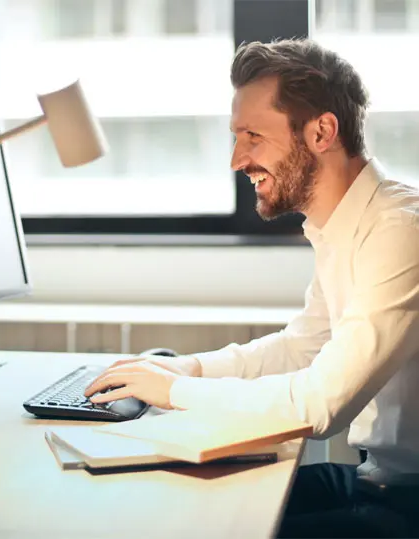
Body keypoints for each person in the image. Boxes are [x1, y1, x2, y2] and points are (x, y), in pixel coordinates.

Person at [84, 38, 419, 538]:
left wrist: (175, 391)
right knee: (183, 505)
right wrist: (187, 367)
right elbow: (303, 347)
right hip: (375, 481)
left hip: (407, 504)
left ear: (322, 132)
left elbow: (320, 403)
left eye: (253, 136)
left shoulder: (399, 230)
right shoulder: (340, 227)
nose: (237, 159)